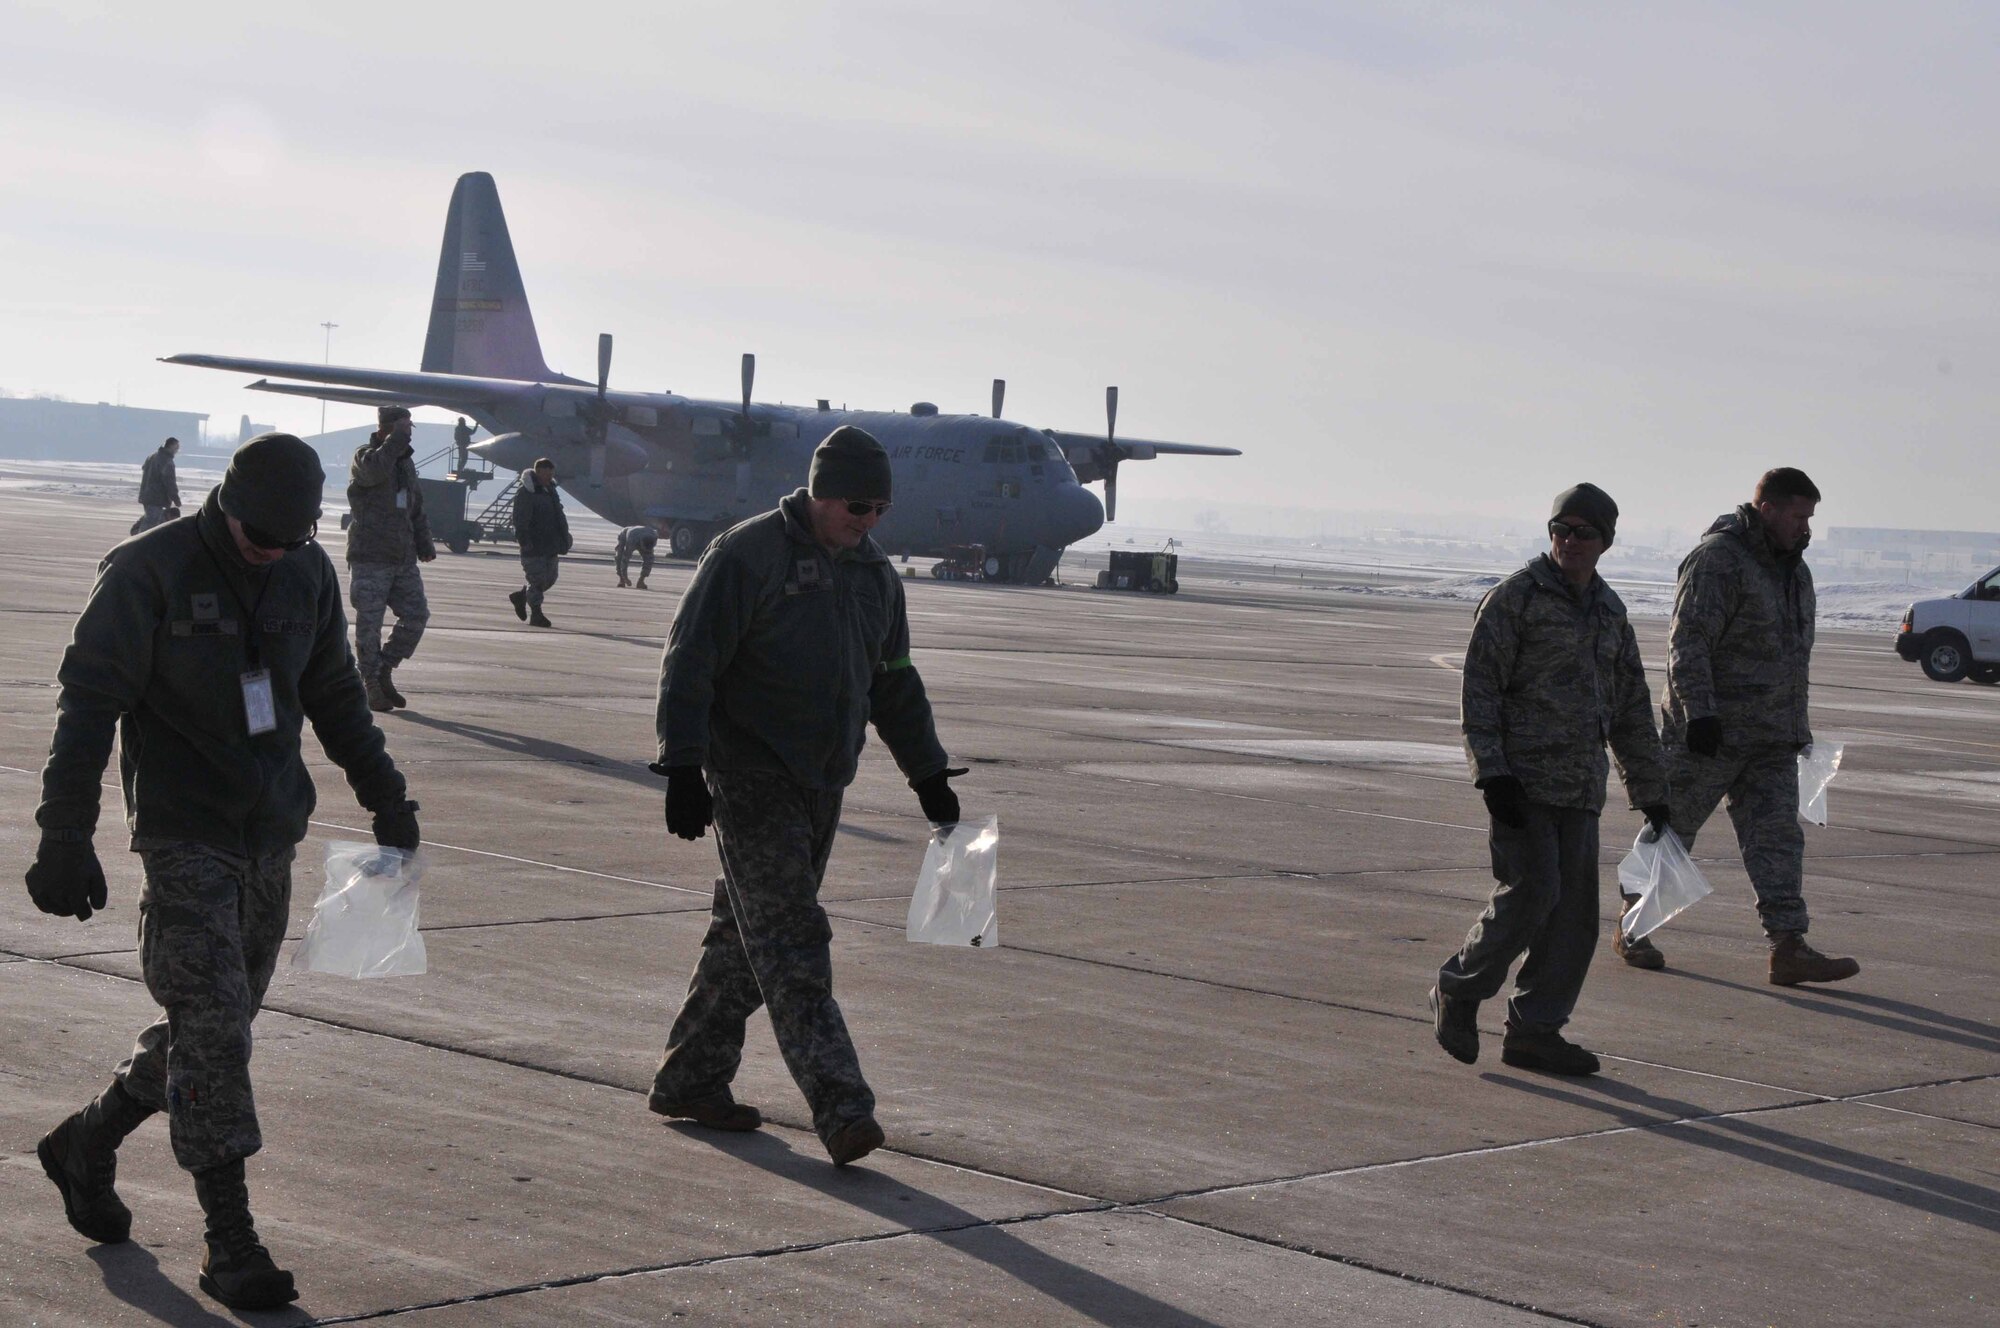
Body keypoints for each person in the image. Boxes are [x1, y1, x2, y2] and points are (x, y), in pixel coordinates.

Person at [26, 433, 420, 1311]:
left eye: (288, 541)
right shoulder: (147, 570)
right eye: (258, 538)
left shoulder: (307, 573)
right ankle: (230, 1240)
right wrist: (65, 835)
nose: (270, 553)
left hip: (268, 831)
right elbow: (89, 704)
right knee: (212, 1027)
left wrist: (389, 800)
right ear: (226, 504)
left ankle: (88, 1140)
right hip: (182, 833)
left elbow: (335, 697)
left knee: (218, 1026)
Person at [649, 425, 963, 1165]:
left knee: (744, 938)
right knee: (792, 939)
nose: (869, 521)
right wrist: (684, 766)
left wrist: (929, 774)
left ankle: (691, 1077)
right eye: (858, 505)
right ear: (821, 494)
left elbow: (894, 680)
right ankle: (842, 1106)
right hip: (751, 771)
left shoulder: (876, 575)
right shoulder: (748, 554)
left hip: (824, 778)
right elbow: (690, 660)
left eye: (881, 509)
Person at [1430, 483, 1668, 1076]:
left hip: (1581, 786)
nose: (1569, 540)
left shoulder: (1611, 613)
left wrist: (1651, 789)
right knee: (1532, 893)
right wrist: (1492, 772)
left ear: (1605, 541)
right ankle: (1459, 990)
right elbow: (1479, 691)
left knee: (1574, 919)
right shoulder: (1515, 600)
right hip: (1522, 784)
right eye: (1560, 528)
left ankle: (1535, 1030)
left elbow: (1632, 707)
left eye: (1583, 532)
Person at [1659, 467, 1857, 985]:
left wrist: (1799, 727)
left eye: (1809, 517)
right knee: (1672, 832)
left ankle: (1788, 946)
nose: (1804, 526)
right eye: (1797, 515)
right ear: (1767, 509)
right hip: (1711, 735)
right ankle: (1634, 925)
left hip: (1771, 737)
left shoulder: (1792, 570)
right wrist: (1698, 712)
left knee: (1777, 841)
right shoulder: (1719, 560)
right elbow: (1689, 642)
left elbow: (1793, 656)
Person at [347, 405, 436, 711]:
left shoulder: (405, 464)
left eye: (410, 427)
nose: (409, 432)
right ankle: (370, 682)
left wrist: (424, 542)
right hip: (370, 556)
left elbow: (416, 506)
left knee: (416, 615)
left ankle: (385, 668)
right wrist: (394, 442)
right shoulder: (366, 456)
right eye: (404, 426)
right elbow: (373, 473)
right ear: (387, 428)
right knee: (369, 624)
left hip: (402, 557)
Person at [509, 458, 570, 628]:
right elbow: (520, 519)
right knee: (536, 580)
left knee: (550, 578)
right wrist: (524, 540)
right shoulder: (526, 492)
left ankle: (521, 596)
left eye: (551, 474)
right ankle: (536, 614)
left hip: (550, 543)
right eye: (546, 474)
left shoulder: (550, 491)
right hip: (533, 544)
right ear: (538, 472)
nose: (549, 477)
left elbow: (559, 516)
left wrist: (565, 538)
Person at [132, 437, 181, 534]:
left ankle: (140, 540)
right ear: (171, 446)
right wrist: (176, 498)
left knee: (151, 523)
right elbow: (170, 482)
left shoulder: (152, 456)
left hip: (146, 495)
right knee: (150, 526)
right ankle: (141, 544)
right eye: (177, 447)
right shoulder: (167, 461)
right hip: (156, 498)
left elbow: (145, 471)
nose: (178, 450)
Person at [615, 524, 659, 589]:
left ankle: (641, 581)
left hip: (642, 534)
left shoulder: (654, 536)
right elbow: (625, 560)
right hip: (626, 534)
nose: (645, 551)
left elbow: (649, 558)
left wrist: (642, 577)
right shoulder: (632, 540)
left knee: (649, 559)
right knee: (619, 556)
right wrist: (625, 577)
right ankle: (621, 580)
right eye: (644, 549)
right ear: (641, 543)